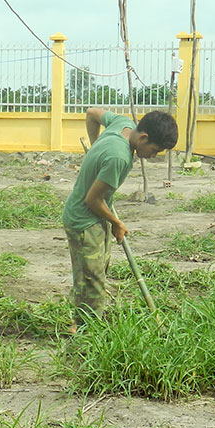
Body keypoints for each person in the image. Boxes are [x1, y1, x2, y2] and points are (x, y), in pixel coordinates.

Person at [61, 107, 178, 329]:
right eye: (154, 150)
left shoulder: (122, 124)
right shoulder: (119, 157)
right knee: (92, 282)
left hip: (95, 217)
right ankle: (87, 332)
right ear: (143, 137)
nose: (152, 156)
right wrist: (116, 223)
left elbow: (92, 113)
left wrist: (95, 145)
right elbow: (92, 200)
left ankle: (84, 320)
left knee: (95, 271)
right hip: (84, 221)